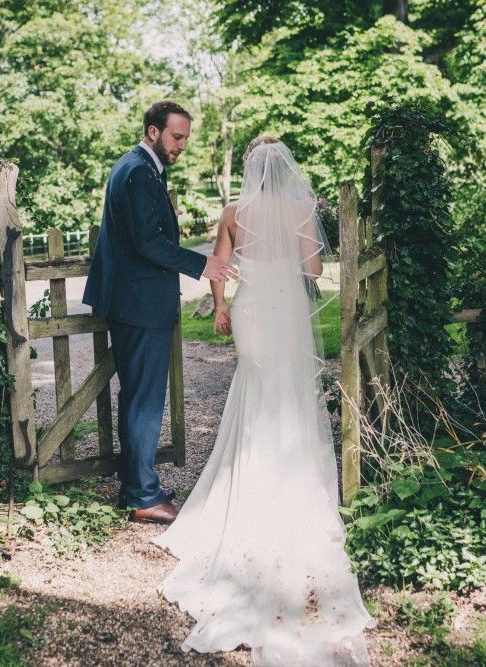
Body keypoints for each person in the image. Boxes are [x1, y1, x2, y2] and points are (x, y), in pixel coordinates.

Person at [152, 135, 375, 665]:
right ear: (287, 172)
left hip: (252, 307)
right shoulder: (302, 207)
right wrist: (302, 241)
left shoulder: (233, 211)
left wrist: (221, 308)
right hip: (287, 312)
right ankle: (290, 477)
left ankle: (251, 477)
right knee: (291, 390)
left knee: (255, 388)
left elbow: (220, 268)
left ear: (253, 170)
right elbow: (315, 272)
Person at [82, 100, 237, 525]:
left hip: (135, 301)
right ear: (153, 131)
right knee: (146, 401)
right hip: (138, 303)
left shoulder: (140, 168)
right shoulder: (137, 172)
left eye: (186, 137)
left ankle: (137, 487)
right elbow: (147, 242)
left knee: (138, 397)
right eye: (176, 136)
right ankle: (143, 497)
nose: (182, 145)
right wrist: (202, 263)